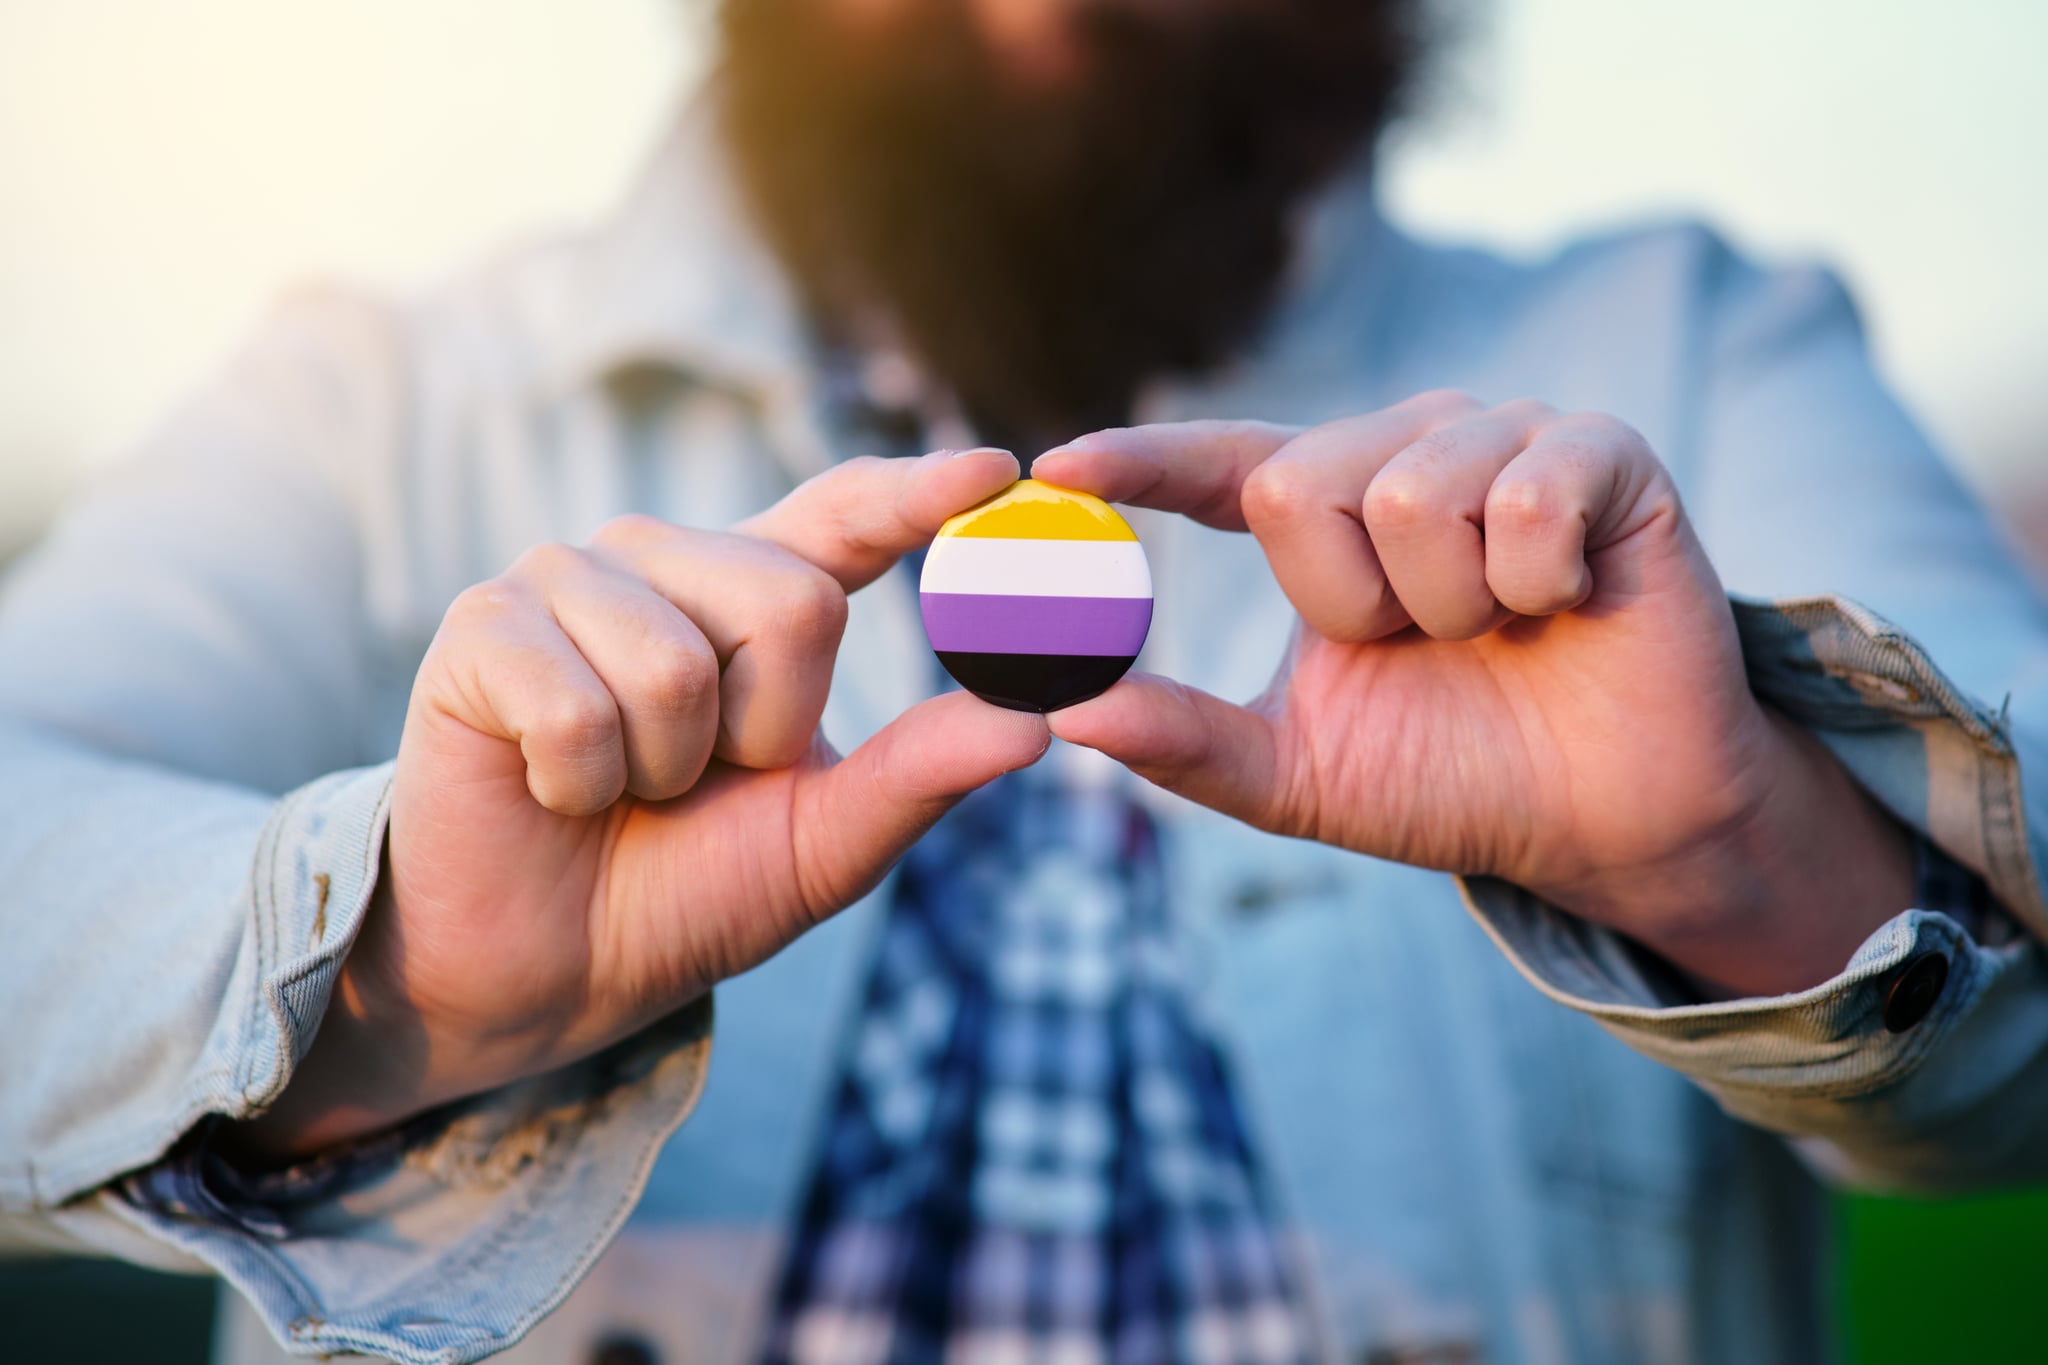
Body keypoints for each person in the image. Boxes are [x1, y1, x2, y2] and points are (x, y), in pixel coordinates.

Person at [3, 0, 2045, 1361]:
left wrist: (1736, 849)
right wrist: (401, 975)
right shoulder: (376, 404)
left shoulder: (1690, 347)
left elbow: (2017, 1086)